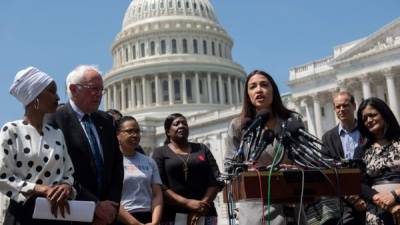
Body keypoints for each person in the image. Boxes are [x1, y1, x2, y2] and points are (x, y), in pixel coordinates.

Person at [225, 70, 305, 225]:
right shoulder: (239, 126)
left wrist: (295, 168)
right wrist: (246, 171)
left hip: (289, 203)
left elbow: (304, 159)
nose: (259, 90)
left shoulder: (291, 122)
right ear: (247, 94)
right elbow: (229, 167)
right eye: (253, 86)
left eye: (264, 85)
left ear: (273, 90)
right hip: (255, 207)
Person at [47, 65, 124, 225]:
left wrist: (111, 205)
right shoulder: (55, 120)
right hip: (73, 212)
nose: (99, 95)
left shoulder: (106, 121)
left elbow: (117, 167)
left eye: (101, 90)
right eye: (94, 89)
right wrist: (94, 205)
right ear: (74, 89)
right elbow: (57, 168)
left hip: (107, 216)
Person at [0, 66, 75, 225]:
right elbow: (2, 175)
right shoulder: (11, 130)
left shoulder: (56, 134)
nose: (57, 97)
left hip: (57, 214)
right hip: (23, 215)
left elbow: (68, 172)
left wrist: (66, 187)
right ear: (35, 97)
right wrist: (40, 189)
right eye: (51, 91)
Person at [306, 91, 366, 225]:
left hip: (370, 194)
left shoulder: (367, 131)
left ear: (354, 105)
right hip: (342, 200)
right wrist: (351, 197)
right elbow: (328, 170)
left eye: (345, 105)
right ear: (334, 109)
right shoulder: (327, 138)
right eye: (338, 107)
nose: (341, 109)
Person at [152, 113, 222, 225]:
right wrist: (187, 203)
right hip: (172, 216)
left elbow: (215, 180)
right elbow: (160, 186)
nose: (181, 126)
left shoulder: (202, 148)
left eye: (184, 123)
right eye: (176, 124)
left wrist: (201, 206)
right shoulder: (160, 153)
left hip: (205, 213)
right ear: (168, 131)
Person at [354, 97, 400, 225]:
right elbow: (358, 183)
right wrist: (379, 199)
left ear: (384, 114)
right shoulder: (361, 150)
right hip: (377, 213)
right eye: (364, 119)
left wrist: (395, 195)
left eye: (373, 115)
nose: (368, 120)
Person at [115, 116, 163, 225]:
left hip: (148, 217)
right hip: (122, 218)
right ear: (118, 134)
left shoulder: (149, 161)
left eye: (137, 131)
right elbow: (112, 198)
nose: (135, 135)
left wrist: (155, 222)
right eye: (129, 131)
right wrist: (135, 223)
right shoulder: (111, 162)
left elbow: (157, 194)